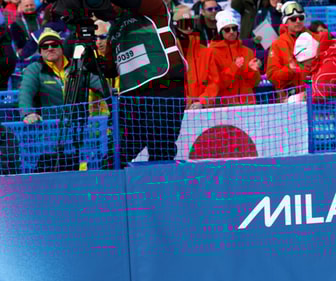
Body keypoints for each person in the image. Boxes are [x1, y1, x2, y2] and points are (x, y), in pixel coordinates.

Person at [99, 0, 187, 167]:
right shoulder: (114, 29)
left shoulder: (154, 7)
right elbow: (110, 69)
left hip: (163, 85)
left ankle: (160, 189)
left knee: (160, 147)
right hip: (131, 97)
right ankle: (114, 188)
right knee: (118, 152)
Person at [18, 28, 104, 171]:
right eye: (45, 46)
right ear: (40, 51)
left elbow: (99, 84)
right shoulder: (35, 69)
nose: (50, 48)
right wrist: (27, 113)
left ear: (61, 47)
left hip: (76, 135)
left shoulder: (76, 67)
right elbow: (25, 93)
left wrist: (114, 95)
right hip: (48, 138)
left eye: (54, 45)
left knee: (75, 175)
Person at [198, 9, 261, 107]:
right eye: (227, 29)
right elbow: (217, 84)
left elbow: (255, 83)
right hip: (225, 106)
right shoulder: (212, 53)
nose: (231, 32)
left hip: (248, 104)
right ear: (220, 32)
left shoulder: (247, 51)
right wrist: (233, 68)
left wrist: (252, 70)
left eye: (234, 28)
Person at [294, 30, 336, 103]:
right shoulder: (319, 63)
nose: (305, 66)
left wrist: (297, 98)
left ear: (313, 56)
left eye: (305, 62)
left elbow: (320, 94)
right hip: (334, 107)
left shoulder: (331, 63)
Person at [266, 1, 310, 102]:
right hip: (288, 101)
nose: (298, 21)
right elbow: (272, 76)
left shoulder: (312, 38)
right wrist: (288, 70)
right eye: (293, 19)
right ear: (286, 22)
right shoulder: (277, 44)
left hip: (311, 97)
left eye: (301, 18)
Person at [174, 3, 211, 106]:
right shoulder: (170, 53)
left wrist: (202, 101)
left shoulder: (206, 52)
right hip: (179, 108)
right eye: (184, 24)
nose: (188, 28)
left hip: (204, 108)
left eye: (190, 23)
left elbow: (214, 81)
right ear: (176, 25)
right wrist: (186, 101)